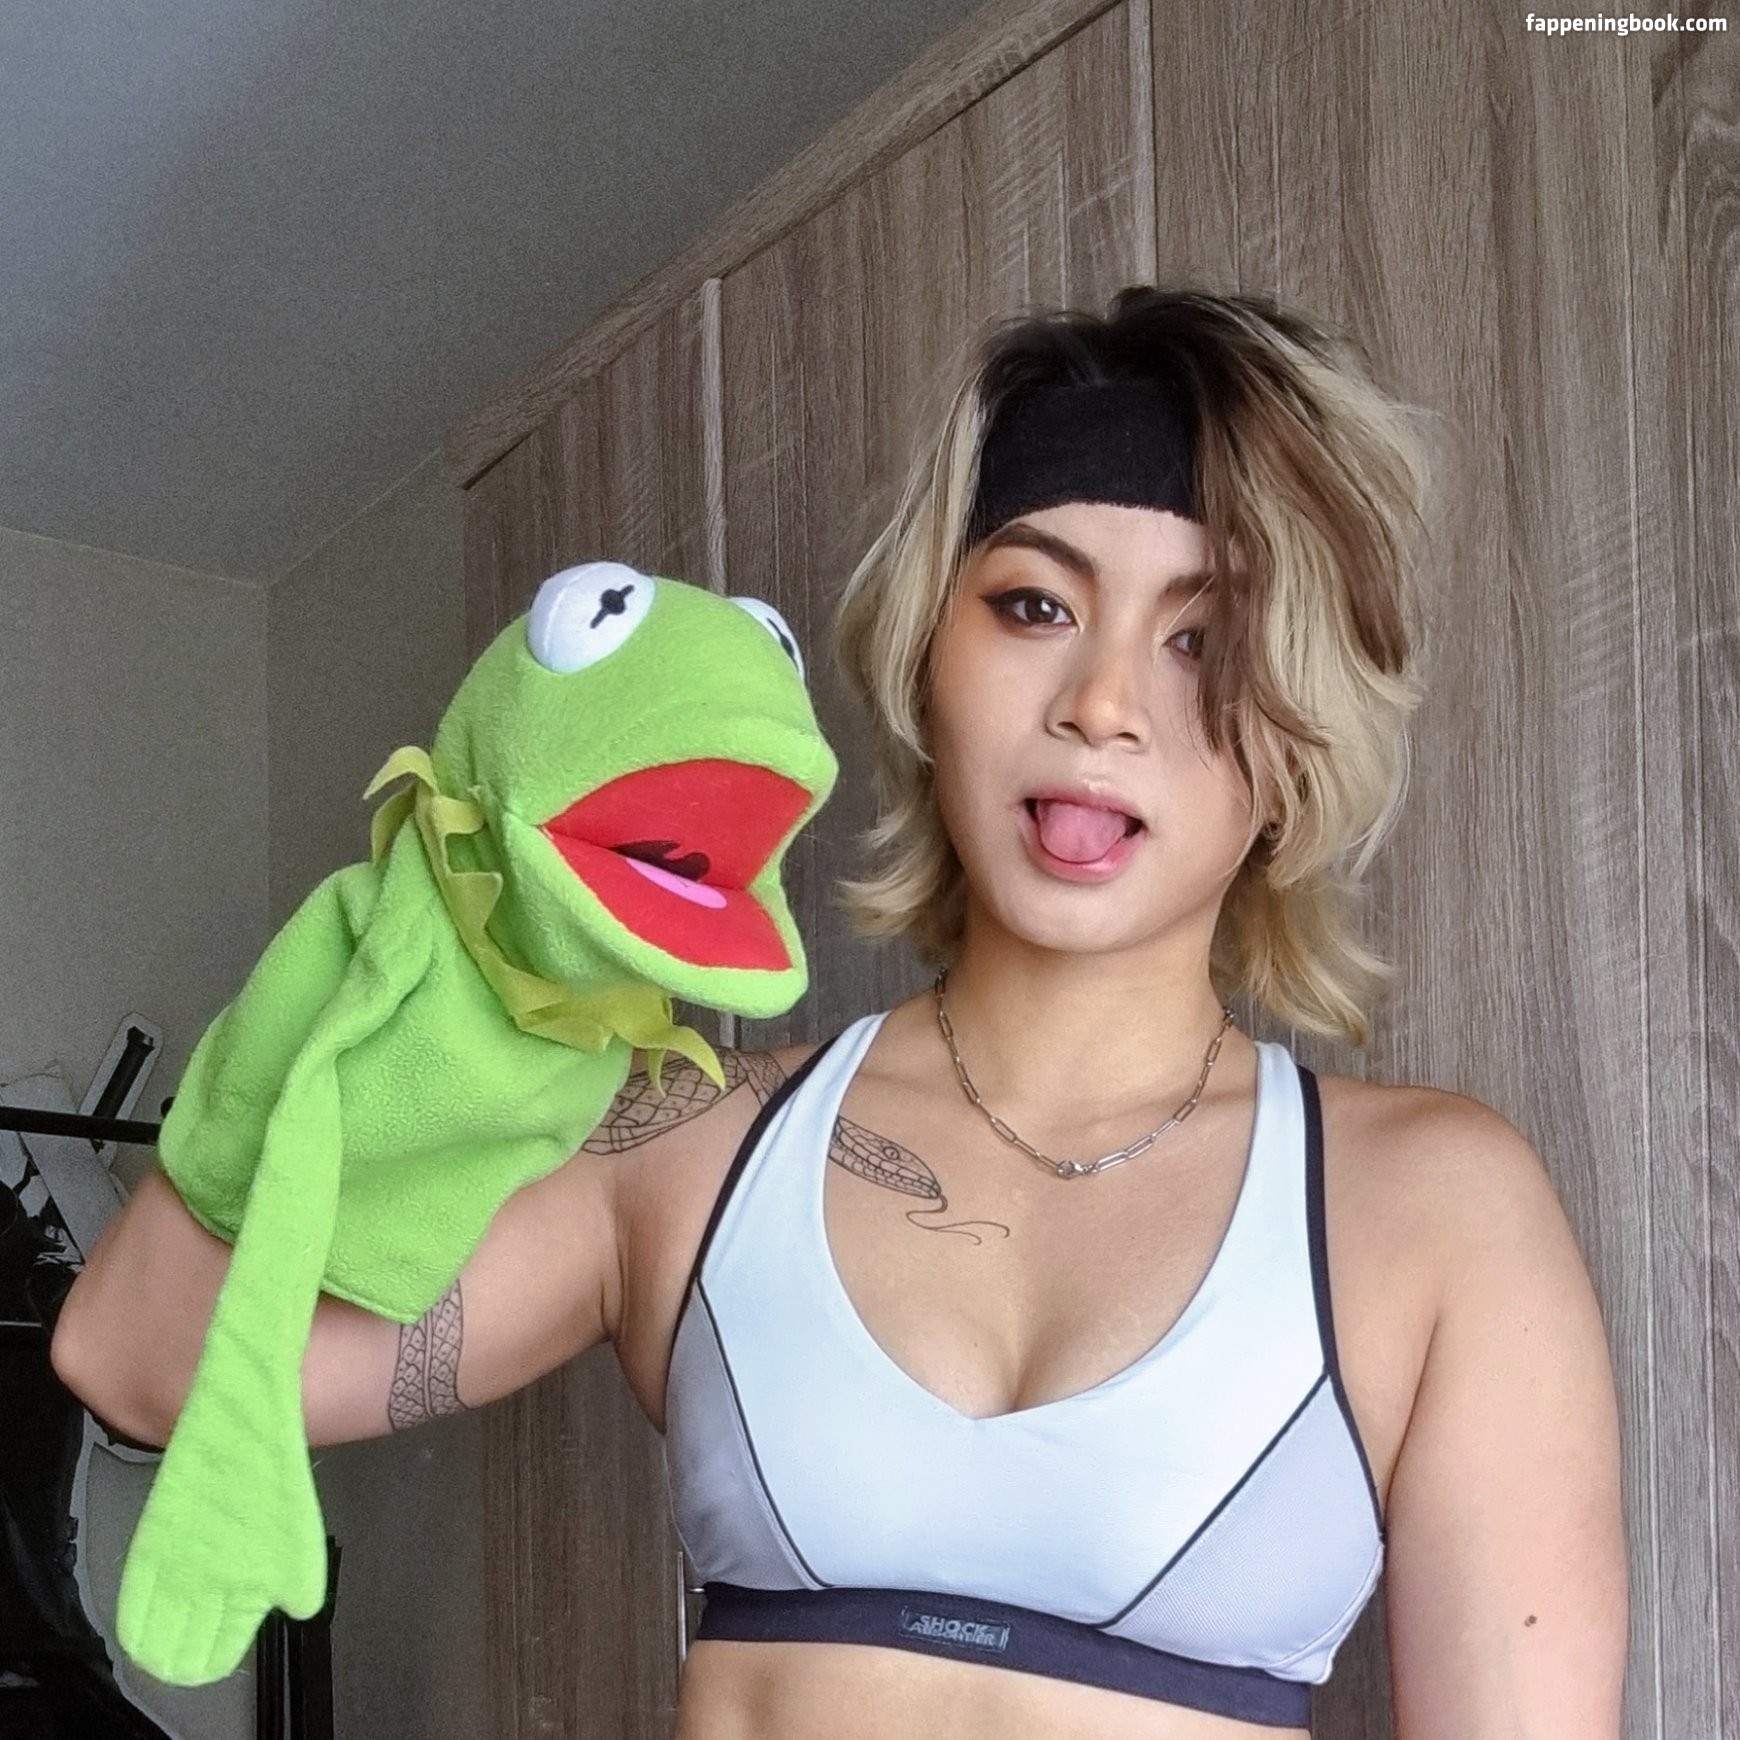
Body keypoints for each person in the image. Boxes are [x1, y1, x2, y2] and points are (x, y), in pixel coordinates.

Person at [52, 284, 1628, 1738]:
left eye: (1201, 637)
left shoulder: (1435, 1211)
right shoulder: (690, 1146)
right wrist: (404, 956)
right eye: (1033, 605)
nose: (1102, 704)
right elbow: (137, 1355)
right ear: (927, 656)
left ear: (1301, 730)